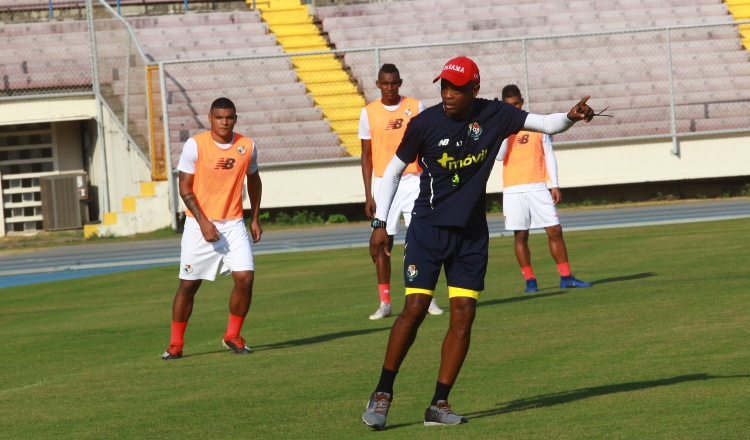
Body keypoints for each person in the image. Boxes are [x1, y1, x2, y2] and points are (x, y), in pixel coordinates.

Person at [361, 56, 595, 429]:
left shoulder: (496, 114)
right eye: (444, 86)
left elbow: (548, 125)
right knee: (416, 308)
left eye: (457, 87)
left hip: (470, 236)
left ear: (474, 89)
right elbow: (390, 173)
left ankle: (439, 404)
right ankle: (383, 392)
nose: (448, 94)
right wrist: (379, 223)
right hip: (427, 231)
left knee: (464, 317)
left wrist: (572, 115)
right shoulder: (424, 123)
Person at [162, 97, 263, 360]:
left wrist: (255, 217)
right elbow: (184, 186)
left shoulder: (247, 146)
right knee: (188, 286)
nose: (224, 122)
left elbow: (254, 181)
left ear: (235, 119)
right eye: (219, 117)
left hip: (233, 224)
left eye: (229, 117)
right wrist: (203, 221)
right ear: (210, 118)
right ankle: (175, 344)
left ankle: (232, 335)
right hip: (199, 225)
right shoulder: (195, 145)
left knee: (245, 279)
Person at [360, 63, 444, 320]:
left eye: (393, 83)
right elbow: (366, 156)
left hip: (414, 181)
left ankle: (426, 297)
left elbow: (430, 145)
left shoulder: (416, 107)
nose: (389, 88)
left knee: (423, 240)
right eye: (384, 84)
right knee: (383, 241)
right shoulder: (369, 112)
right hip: (383, 184)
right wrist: (368, 194)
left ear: (400, 82)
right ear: (378, 85)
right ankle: (385, 303)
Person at [497, 85, 592, 293]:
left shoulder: (535, 123)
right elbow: (499, 156)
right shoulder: (500, 127)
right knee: (520, 236)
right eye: (508, 106)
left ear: (521, 103)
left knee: (554, 230)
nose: (513, 108)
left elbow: (549, 154)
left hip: (538, 186)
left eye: (516, 104)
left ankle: (566, 277)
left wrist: (555, 184)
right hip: (513, 188)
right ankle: (530, 280)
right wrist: (504, 129)